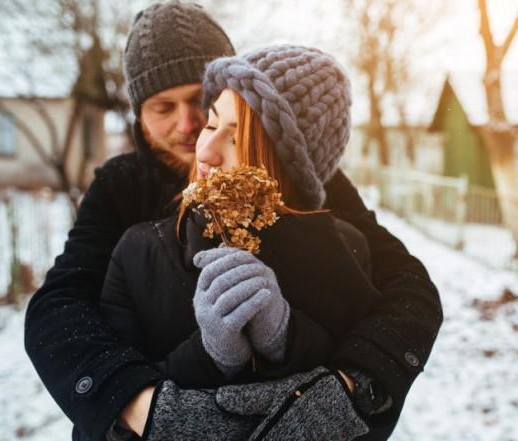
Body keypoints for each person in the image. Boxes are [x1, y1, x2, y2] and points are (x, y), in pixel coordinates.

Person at [24, 2, 442, 440]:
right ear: (139, 116)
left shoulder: (309, 181)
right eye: (163, 107)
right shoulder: (121, 189)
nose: (188, 125)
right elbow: (59, 308)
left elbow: (406, 287)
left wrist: (350, 388)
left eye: (197, 101)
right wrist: (145, 408)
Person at [100, 46, 383, 440]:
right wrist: (210, 356)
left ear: (285, 169)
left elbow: (365, 415)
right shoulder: (139, 252)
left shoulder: (344, 254)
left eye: (237, 139)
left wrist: (285, 339)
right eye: (211, 125)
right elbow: (110, 423)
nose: (207, 151)